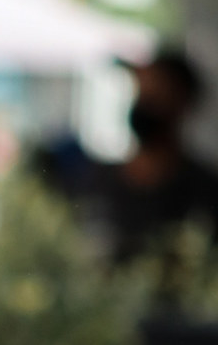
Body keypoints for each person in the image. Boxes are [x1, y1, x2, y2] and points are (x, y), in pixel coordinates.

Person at [36, 44, 218, 264]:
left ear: (184, 104)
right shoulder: (94, 180)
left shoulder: (203, 193)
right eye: (141, 90)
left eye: (156, 92)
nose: (144, 100)